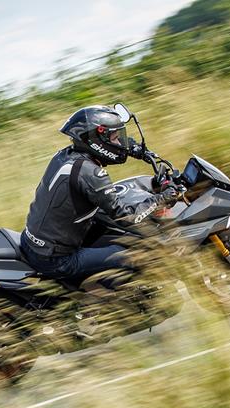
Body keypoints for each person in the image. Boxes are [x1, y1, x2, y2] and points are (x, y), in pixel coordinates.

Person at [20, 105, 182, 288]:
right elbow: (127, 216)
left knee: (106, 228)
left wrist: (134, 149)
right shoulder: (92, 174)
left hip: (35, 242)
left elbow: (103, 148)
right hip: (56, 259)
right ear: (96, 139)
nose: (120, 142)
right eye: (114, 137)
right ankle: (116, 304)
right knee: (138, 254)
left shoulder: (65, 156)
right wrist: (161, 198)